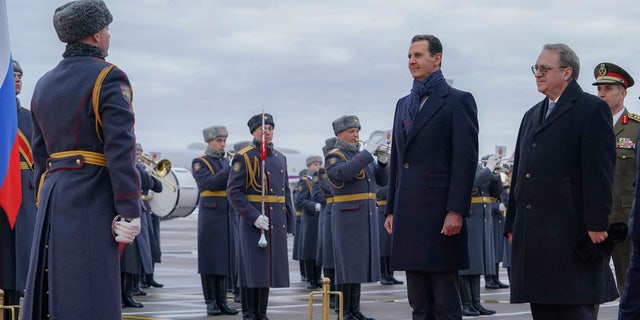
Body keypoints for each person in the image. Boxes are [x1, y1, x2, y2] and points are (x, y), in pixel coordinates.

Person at [22, 1, 142, 319]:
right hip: (94, 194)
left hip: (53, 196)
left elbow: (39, 154)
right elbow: (120, 148)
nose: (108, 35)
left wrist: (43, 198)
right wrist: (130, 210)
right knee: (92, 294)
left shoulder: (43, 84)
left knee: (54, 291)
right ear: (93, 35)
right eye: (106, 29)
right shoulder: (109, 77)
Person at [504, 43, 618, 320]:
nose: (538, 74)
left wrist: (597, 223)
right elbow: (520, 173)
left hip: (571, 232)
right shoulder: (531, 115)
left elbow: (599, 172)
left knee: (573, 309)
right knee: (543, 309)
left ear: (567, 72)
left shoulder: (591, 110)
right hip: (535, 236)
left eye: (544, 69)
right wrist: (512, 225)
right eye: (536, 69)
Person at [383, 34, 479, 320]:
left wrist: (456, 210)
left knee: (444, 302)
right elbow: (398, 160)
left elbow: (465, 160)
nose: (412, 61)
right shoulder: (404, 104)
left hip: (440, 215)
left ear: (437, 59)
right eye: (410, 56)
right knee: (419, 302)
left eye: (419, 55)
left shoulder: (457, 101)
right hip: (409, 214)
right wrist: (391, 209)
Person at [227, 113, 295, 320]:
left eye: (270, 129)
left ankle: (261, 313)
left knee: (266, 270)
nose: (266, 132)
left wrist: (290, 222)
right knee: (252, 269)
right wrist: (252, 216)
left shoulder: (280, 157)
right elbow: (234, 192)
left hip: (275, 221)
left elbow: (284, 193)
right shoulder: (244, 156)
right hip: (254, 222)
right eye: (262, 129)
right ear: (254, 132)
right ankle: (249, 313)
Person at [325, 115, 388, 320]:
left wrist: (383, 161)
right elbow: (344, 173)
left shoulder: (362, 155)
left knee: (358, 263)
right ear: (340, 134)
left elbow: (382, 180)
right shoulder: (335, 155)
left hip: (364, 214)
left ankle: (354, 309)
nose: (356, 135)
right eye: (352, 131)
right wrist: (368, 153)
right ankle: (344, 311)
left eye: (357, 131)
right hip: (347, 216)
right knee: (347, 264)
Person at [591, 62, 637, 296]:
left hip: (625, 221)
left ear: (623, 92)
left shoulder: (636, 128)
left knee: (629, 287)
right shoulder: (587, 125)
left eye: (608, 89)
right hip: (591, 221)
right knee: (589, 289)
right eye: (599, 89)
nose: (601, 94)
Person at [0, 59, 37, 312]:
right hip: (3, 186)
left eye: (20, 75)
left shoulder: (30, 117)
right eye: (12, 74)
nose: (17, 79)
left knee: (24, 248)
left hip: (26, 187)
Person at [191, 125, 239, 316]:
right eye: (219, 141)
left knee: (225, 259)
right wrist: (230, 168)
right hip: (210, 216)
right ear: (209, 142)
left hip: (227, 213)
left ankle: (222, 300)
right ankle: (210, 301)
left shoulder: (225, 162)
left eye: (224, 141)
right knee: (210, 260)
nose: (223, 144)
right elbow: (210, 183)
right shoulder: (199, 162)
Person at [121, 143, 162, 308]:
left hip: (134, 213)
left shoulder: (136, 168)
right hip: (125, 214)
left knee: (133, 257)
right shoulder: (130, 168)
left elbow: (157, 187)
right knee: (127, 258)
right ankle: (124, 294)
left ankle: (128, 293)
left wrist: (147, 170)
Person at [458, 159, 500, 316]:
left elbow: (495, 194)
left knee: (477, 264)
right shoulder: (462, 164)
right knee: (466, 266)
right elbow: (469, 183)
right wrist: (488, 171)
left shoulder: (479, 167)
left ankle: (476, 303)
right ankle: (466, 303)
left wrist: (495, 176)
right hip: (469, 218)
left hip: (481, 220)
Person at [296, 155, 324, 290]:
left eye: (319, 164)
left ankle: (317, 277)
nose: (317, 167)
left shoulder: (320, 179)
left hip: (320, 219)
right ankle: (309, 278)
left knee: (318, 250)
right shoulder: (305, 182)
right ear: (308, 167)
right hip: (309, 219)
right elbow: (299, 201)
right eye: (314, 164)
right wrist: (315, 206)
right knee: (308, 250)